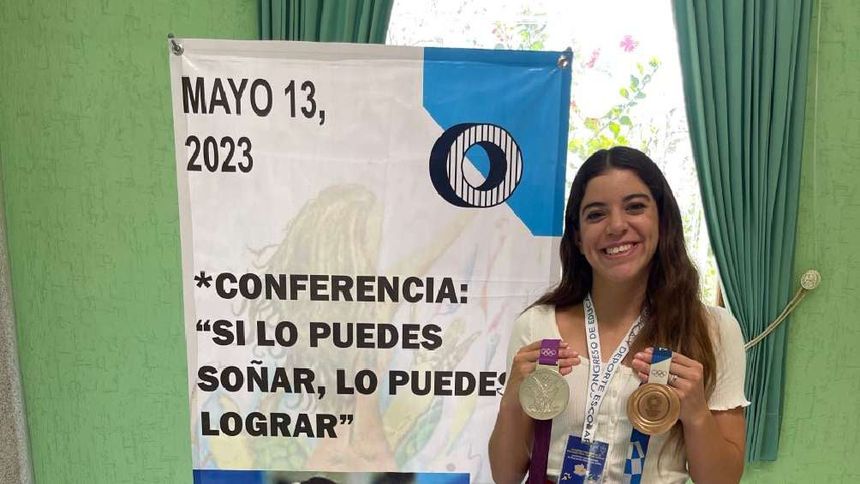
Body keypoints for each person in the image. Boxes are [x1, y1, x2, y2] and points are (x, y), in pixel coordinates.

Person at [488, 146, 748, 483]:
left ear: (662, 220)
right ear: (578, 237)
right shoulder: (537, 325)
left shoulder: (712, 329)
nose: (616, 225)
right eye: (596, 214)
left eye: (635, 207)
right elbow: (505, 475)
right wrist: (512, 399)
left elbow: (722, 480)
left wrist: (696, 413)